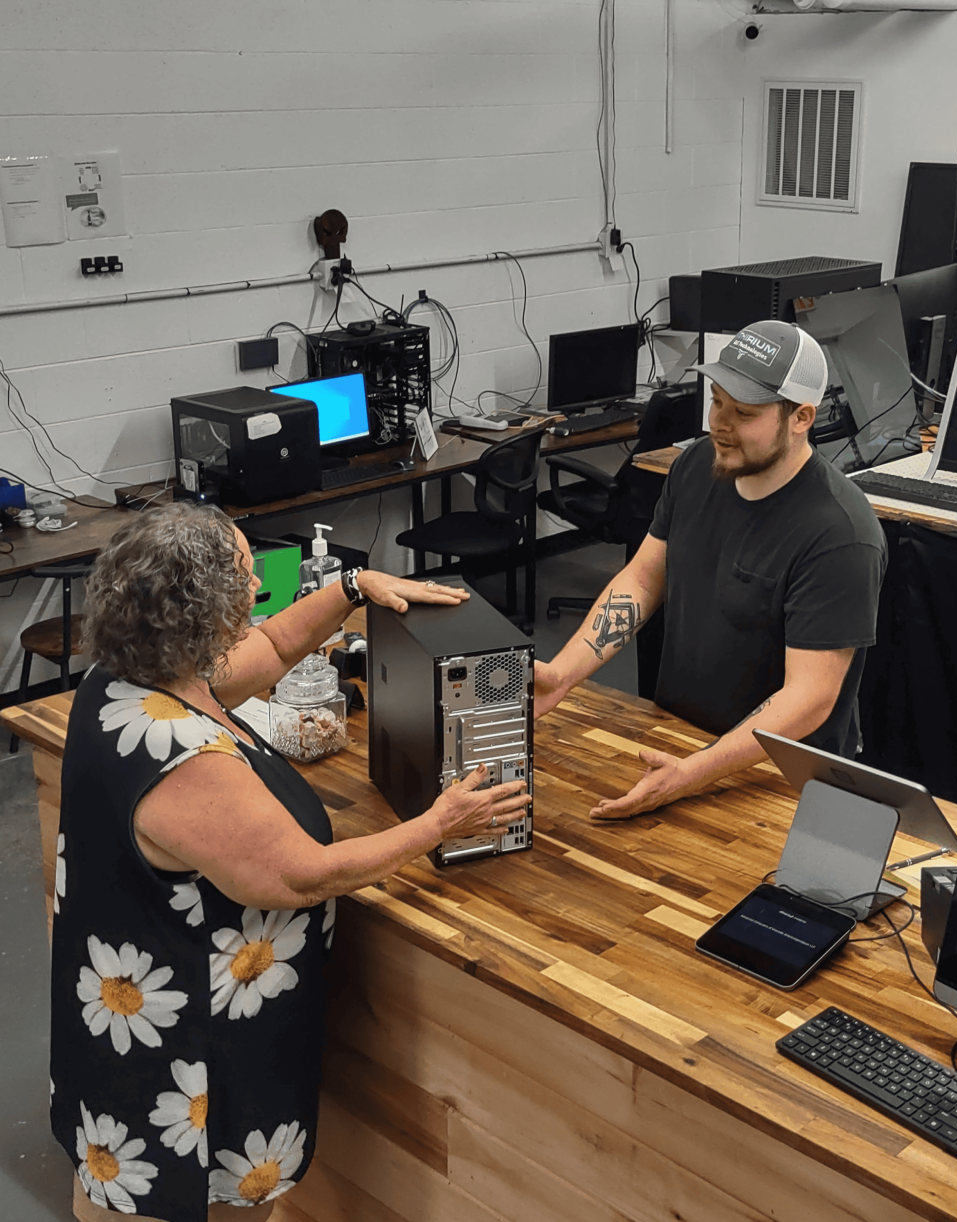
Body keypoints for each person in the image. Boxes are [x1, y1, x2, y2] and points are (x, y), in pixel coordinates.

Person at [51, 503, 530, 1222]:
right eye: (247, 578)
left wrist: (352, 589)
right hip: (187, 1047)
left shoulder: (125, 681)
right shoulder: (180, 759)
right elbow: (300, 874)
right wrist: (439, 823)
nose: (257, 591)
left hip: (128, 1008)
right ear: (204, 612)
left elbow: (273, 649)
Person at [535, 319, 887, 820]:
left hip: (777, 784)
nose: (720, 422)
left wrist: (694, 773)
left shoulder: (840, 534)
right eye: (717, 399)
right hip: (680, 741)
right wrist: (563, 675)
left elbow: (809, 698)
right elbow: (642, 578)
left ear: (801, 417)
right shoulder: (698, 464)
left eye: (743, 412)